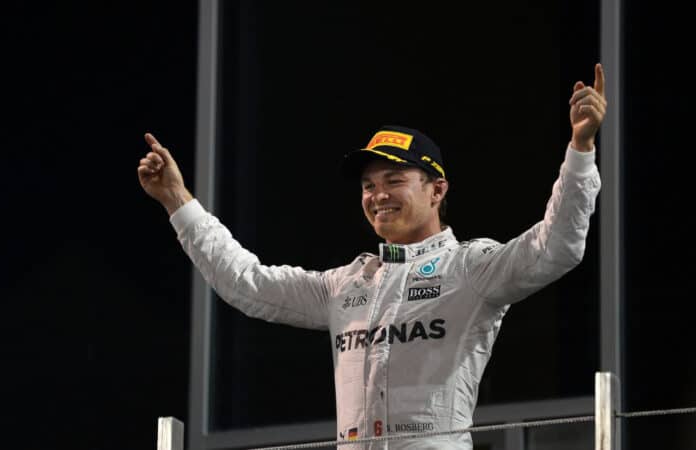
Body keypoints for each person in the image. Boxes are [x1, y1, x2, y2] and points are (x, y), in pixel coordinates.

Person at [137, 64, 607, 449]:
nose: (377, 195)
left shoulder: (470, 268)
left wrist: (580, 149)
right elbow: (247, 283)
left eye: (394, 181)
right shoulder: (346, 284)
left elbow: (556, 247)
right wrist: (179, 200)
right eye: (368, 185)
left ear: (437, 190)